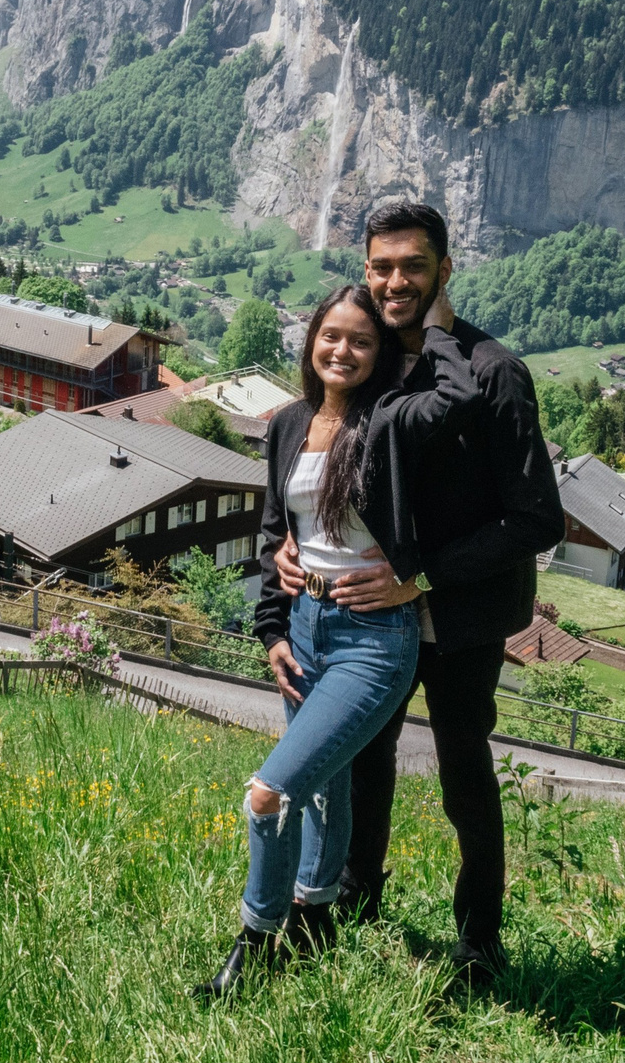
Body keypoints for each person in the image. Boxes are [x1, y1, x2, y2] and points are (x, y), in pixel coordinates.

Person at [273, 200, 563, 982]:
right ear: (365, 269)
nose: (395, 280)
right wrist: (291, 539)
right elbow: (322, 460)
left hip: (459, 613)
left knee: (463, 768)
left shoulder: (494, 370)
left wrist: (422, 577)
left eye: (412, 265)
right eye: (382, 266)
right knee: (361, 760)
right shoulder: (372, 365)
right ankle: (354, 896)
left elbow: (537, 517)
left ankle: (478, 937)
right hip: (368, 611)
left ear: (443, 269)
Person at [193, 281, 481, 999]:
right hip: (305, 628)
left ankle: (256, 942)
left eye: (361, 339)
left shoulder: (390, 419)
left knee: (270, 794)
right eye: (331, 335)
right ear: (310, 339)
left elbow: (461, 398)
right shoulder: (289, 422)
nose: (342, 350)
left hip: (373, 640)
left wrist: (438, 331)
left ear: (382, 352)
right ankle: (315, 916)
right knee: (320, 790)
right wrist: (270, 628)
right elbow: (274, 533)